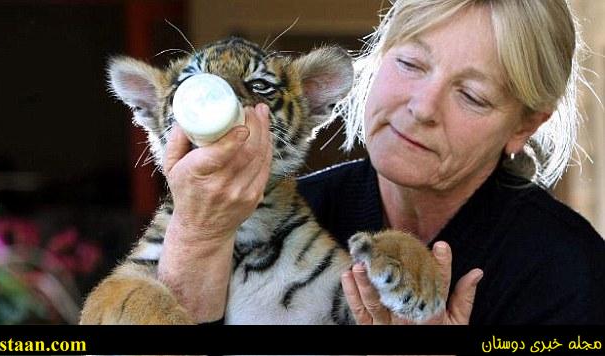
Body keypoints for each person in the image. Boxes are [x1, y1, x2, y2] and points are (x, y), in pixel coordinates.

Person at [160, 0, 605, 325]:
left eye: (472, 95)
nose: (422, 108)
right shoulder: (288, 210)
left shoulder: (568, 269)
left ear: (523, 127)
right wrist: (195, 237)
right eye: (410, 64)